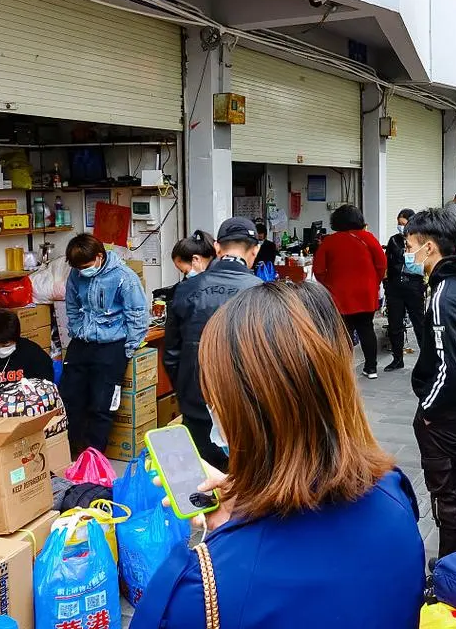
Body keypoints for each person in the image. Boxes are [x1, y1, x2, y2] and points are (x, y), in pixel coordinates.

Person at [132, 284, 425, 629]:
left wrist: (227, 543)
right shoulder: (396, 495)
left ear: (240, 411)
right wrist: (244, 512)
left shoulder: (201, 588)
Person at [404, 208, 456, 558]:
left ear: (430, 247)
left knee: (447, 492)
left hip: (446, 413)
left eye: (410, 246)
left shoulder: (443, 296)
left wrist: (427, 409)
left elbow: (448, 368)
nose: (407, 254)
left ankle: (452, 564)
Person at [165, 219, 263, 471]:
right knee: (244, 478)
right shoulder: (262, 293)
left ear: (218, 248)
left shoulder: (186, 289)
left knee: (202, 478)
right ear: (255, 250)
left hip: (196, 399)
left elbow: (171, 354)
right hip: (245, 404)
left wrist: (186, 390)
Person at [62, 233, 148, 453]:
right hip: (81, 343)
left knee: (102, 405)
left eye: (86, 265)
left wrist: (128, 348)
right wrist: (77, 329)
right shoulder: (76, 274)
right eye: (78, 267)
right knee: (71, 399)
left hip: (112, 346)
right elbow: (71, 305)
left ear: (99, 256)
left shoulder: (124, 277)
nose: (83, 270)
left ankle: (94, 457)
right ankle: (71, 453)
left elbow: (137, 314)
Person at [314, 204, 387, 379]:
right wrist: (373, 282)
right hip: (365, 293)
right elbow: (382, 264)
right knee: (366, 329)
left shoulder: (329, 241)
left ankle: (343, 369)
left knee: (343, 332)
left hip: (339, 295)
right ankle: (371, 368)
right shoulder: (368, 238)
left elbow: (318, 270)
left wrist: (329, 285)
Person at [383, 209, 425, 372]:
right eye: (399, 224)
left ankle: (426, 359)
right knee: (395, 325)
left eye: (403, 223)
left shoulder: (420, 240)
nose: (400, 227)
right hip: (395, 287)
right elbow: (388, 262)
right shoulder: (394, 240)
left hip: (414, 286)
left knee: (419, 324)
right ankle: (397, 358)